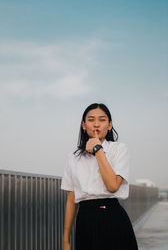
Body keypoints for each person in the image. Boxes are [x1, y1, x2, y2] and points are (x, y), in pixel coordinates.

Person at [61, 103, 139, 250]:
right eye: (91, 120)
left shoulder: (119, 149)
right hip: (85, 219)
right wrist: (66, 240)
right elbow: (71, 198)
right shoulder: (73, 157)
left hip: (113, 217)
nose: (96, 124)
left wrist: (98, 150)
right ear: (83, 125)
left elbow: (112, 186)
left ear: (109, 125)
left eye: (102, 120)